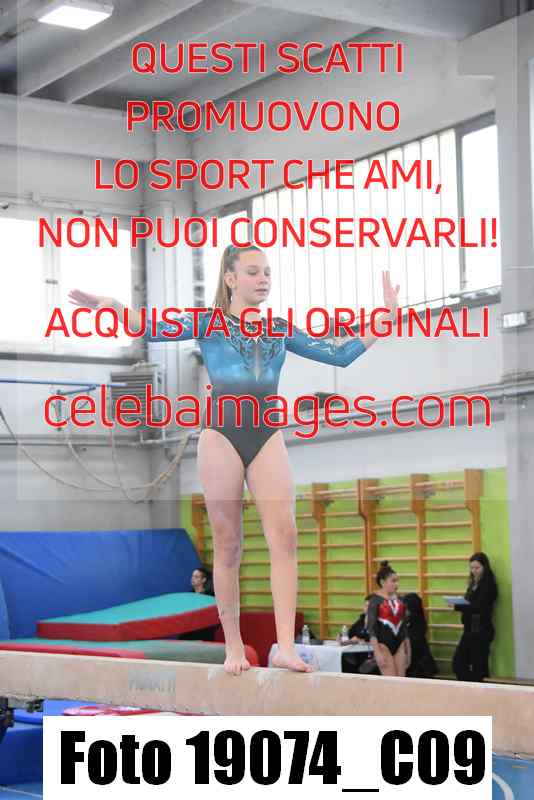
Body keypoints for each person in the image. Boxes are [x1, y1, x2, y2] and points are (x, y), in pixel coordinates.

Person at [68, 244, 400, 675]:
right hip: (221, 436)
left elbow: (340, 353)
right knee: (228, 545)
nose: (263, 279)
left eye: (267, 272)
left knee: (286, 536)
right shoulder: (209, 323)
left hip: (266, 435)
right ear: (230, 279)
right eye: (253, 272)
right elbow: (147, 327)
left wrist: (385, 319)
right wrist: (112, 307)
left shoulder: (279, 329)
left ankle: (285, 647)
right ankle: (233, 646)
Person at [449, 552, 498, 682]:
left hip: (481, 630)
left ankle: (481, 690)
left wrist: (459, 606)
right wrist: (457, 603)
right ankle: (470, 686)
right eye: (472, 568)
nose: (474, 571)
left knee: (479, 667)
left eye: (477, 568)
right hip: (470, 629)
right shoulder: (473, 584)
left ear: (484, 567)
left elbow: (479, 607)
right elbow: (469, 603)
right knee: (458, 663)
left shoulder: (489, 585)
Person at [367, 561, 411, 677]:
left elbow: (404, 628)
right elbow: (372, 629)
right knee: (391, 683)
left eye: (397, 581)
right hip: (384, 647)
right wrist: (377, 653)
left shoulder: (400, 601)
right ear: (382, 582)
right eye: (393, 581)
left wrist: (409, 651)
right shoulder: (375, 601)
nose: (397, 584)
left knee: (401, 683)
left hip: (400, 646)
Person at [403, 592, 438, 679]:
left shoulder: (417, 623)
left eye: (405, 608)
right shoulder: (408, 620)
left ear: (412, 609)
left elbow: (412, 645)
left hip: (417, 665)